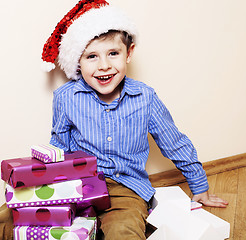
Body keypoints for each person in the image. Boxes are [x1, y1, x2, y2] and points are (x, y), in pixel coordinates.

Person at [0, 0, 228, 239]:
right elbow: (60, 145)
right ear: (78, 61)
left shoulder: (144, 97)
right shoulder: (66, 97)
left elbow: (174, 142)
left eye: (113, 53)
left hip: (125, 188)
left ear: (128, 53)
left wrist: (199, 184)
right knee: (9, 218)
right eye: (92, 57)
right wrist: (40, 186)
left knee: (123, 230)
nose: (104, 65)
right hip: (76, 183)